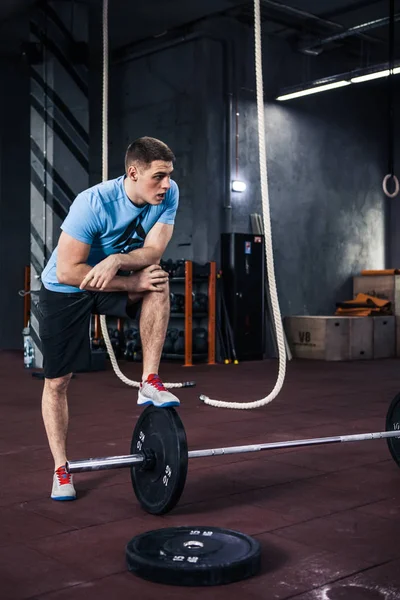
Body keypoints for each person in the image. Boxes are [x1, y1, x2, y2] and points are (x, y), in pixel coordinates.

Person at [38, 136, 181, 502]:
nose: (166, 184)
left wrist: (117, 261)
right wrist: (129, 278)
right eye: (158, 176)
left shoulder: (168, 194)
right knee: (58, 381)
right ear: (133, 173)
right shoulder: (93, 203)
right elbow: (70, 272)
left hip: (110, 277)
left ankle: (149, 379)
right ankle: (60, 468)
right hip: (65, 289)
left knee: (157, 282)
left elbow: (153, 251)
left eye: (169, 176)